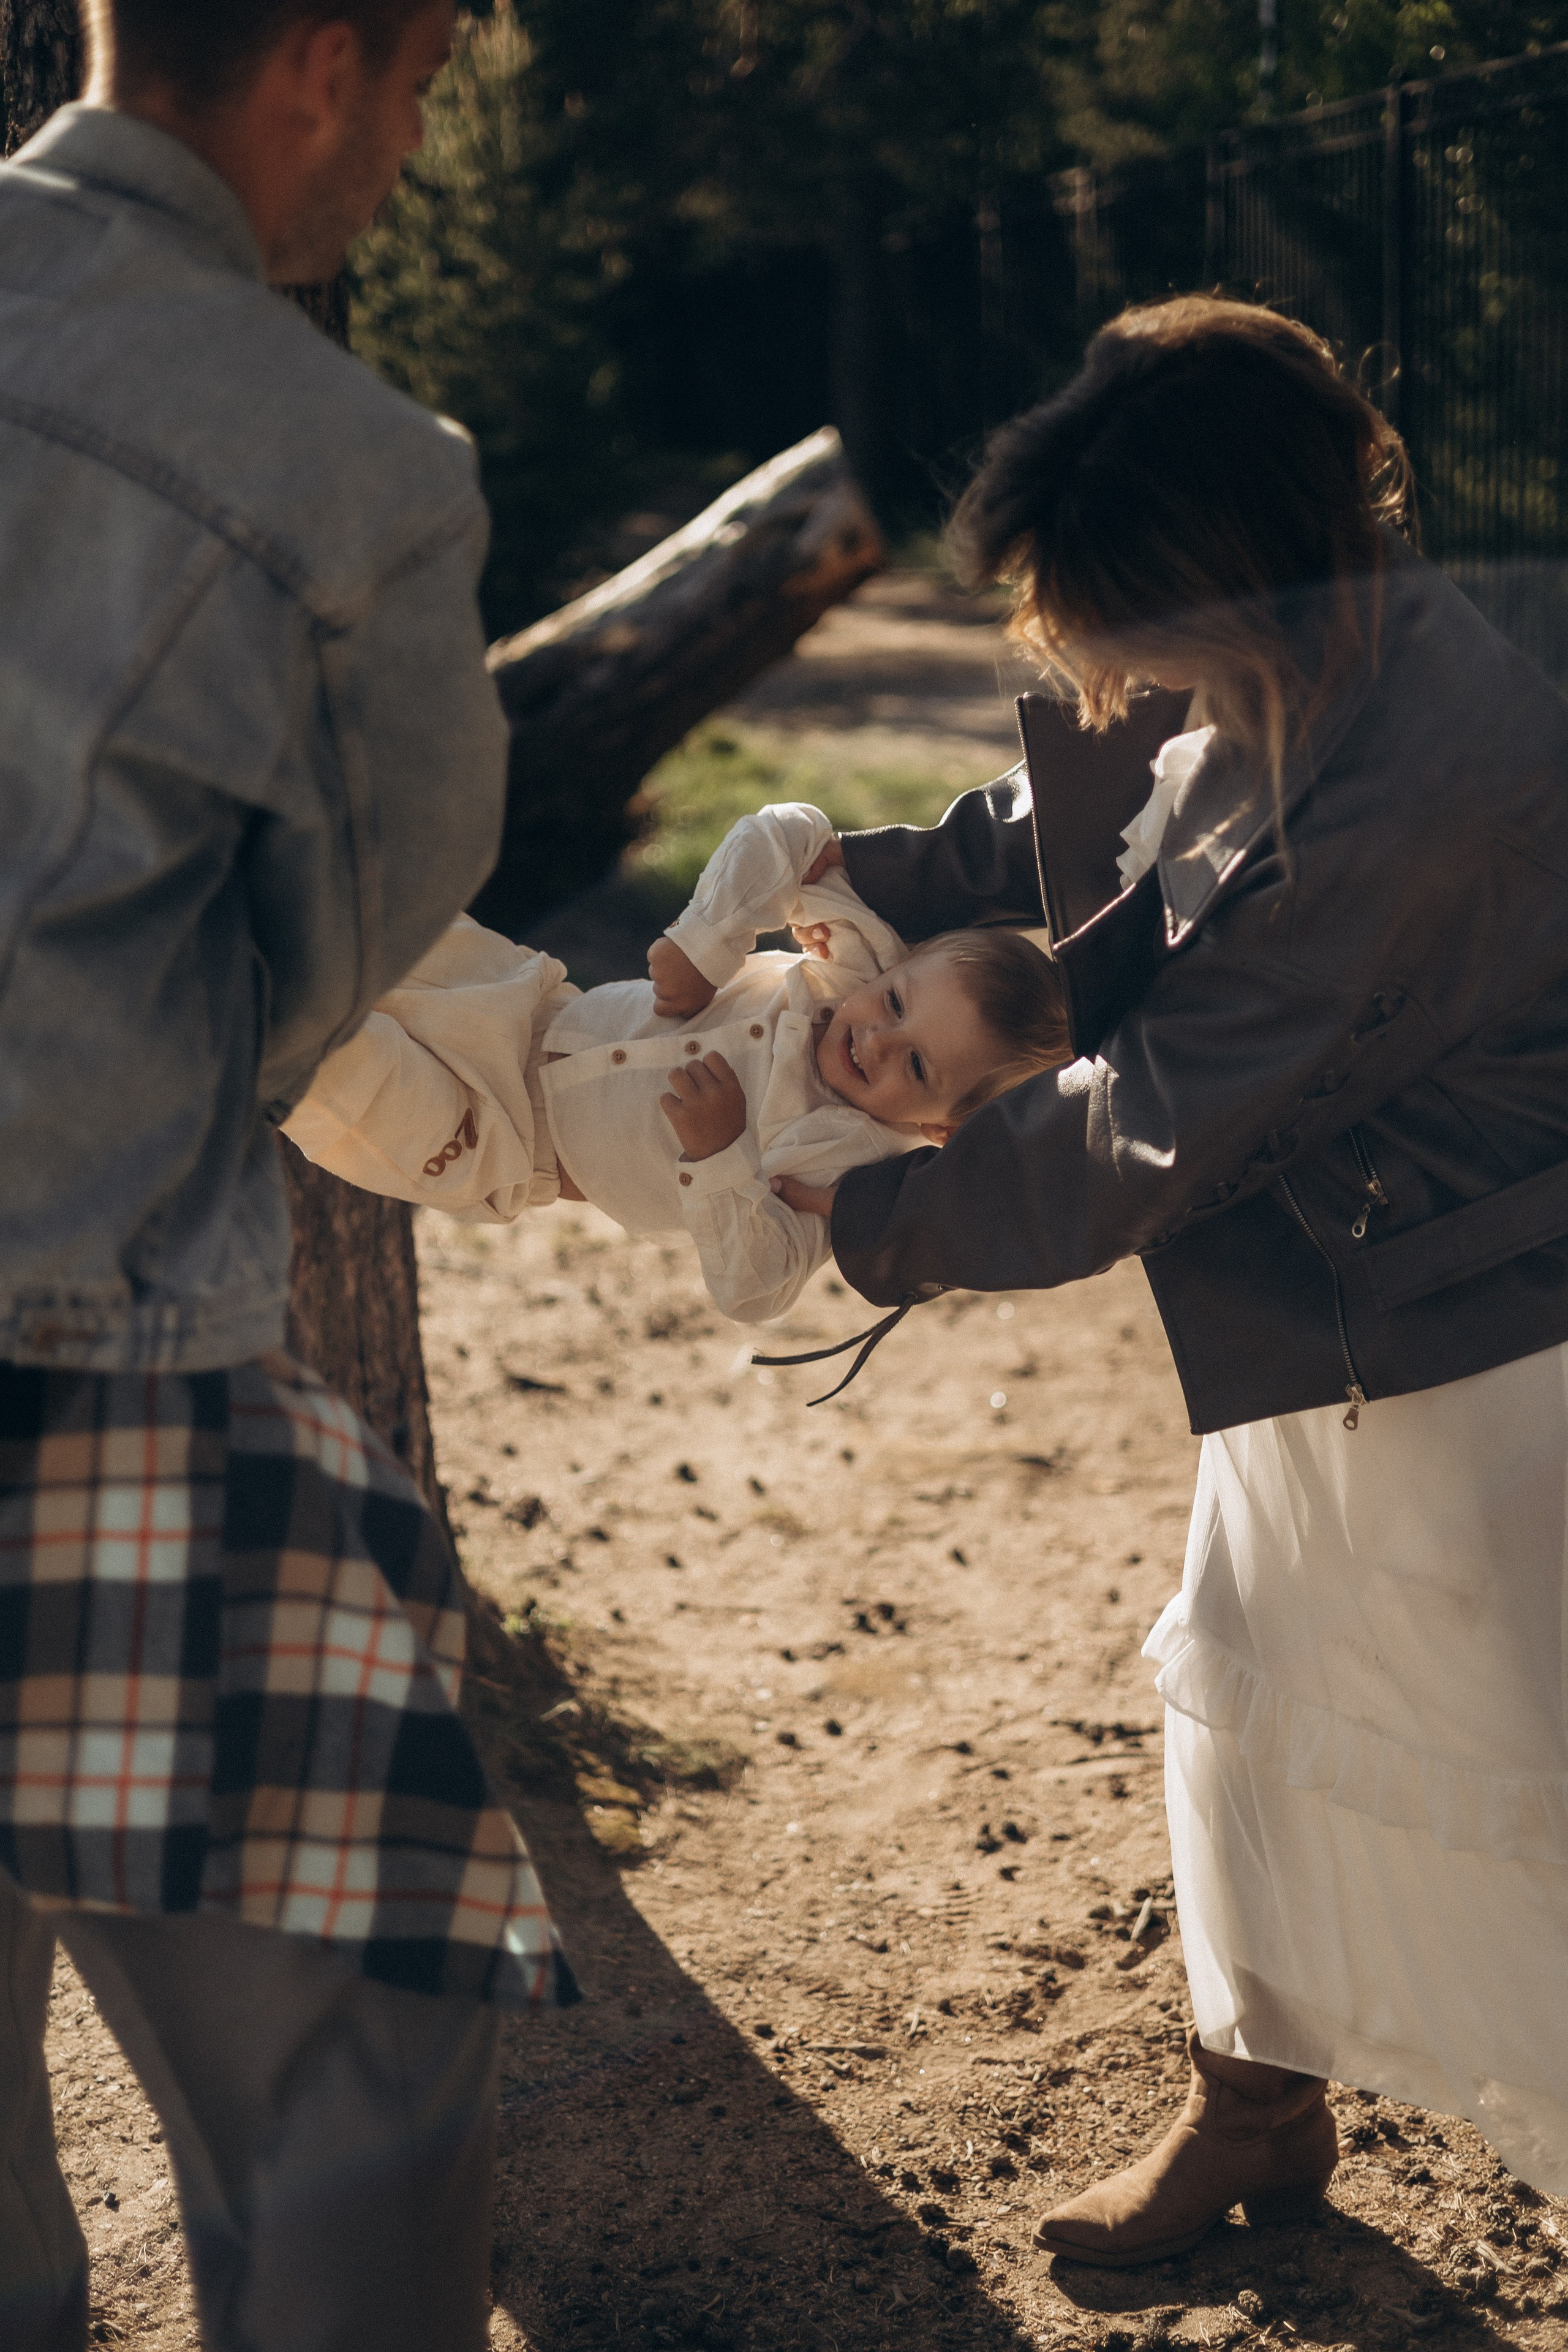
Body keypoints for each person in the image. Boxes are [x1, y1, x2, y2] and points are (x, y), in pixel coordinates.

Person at [788, 295, 1568, 2260]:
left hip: (1474, 1318)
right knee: (1246, 1678)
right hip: (1327, 1293)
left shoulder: (1437, 773)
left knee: (1512, 1750)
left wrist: (847, 1215)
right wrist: (863, 883)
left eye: (1112, 616)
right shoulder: (1275, 628)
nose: (1096, 657)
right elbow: (1082, 837)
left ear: (1227, 565)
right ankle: (1257, 2109)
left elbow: (1160, 1115)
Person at [0, 6, 573, 2348]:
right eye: (430, 90)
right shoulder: (344, 467)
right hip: (83, 1368)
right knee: (359, 2052)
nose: (414, 152)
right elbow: (334, 953)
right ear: (327, 63)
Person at [282, 804, 1068, 1322]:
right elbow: (790, 832)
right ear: (900, 968)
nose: (877, 1038)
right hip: (514, 999)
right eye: (896, 1003)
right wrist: (705, 944)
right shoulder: (851, 967)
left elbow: (754, 1290)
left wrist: (720, 1154)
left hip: (493, 1142)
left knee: (328, 1055)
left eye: (919, 1068)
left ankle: (210, 987)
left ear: (939, 1127)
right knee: (342, 907)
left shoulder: (840, 1169)